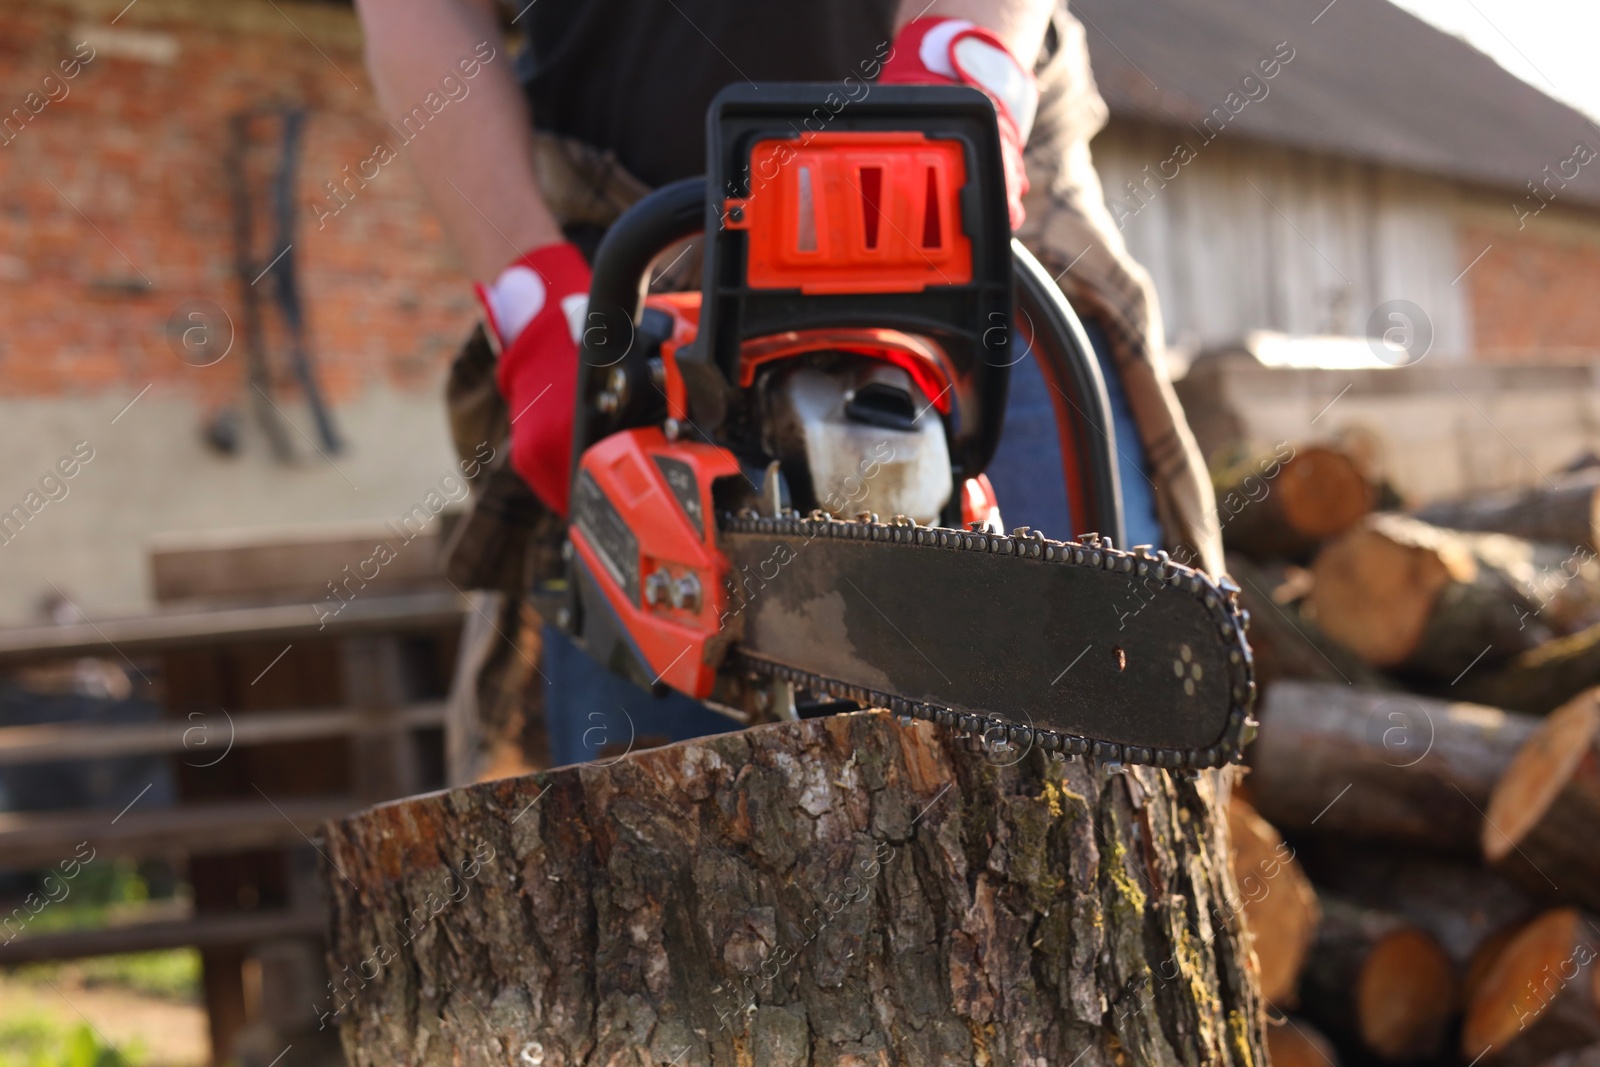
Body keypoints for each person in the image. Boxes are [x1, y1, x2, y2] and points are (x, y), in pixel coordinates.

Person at [353, 0, 1222, 772]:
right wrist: (530, 295)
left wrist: (965, 67)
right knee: (639, 829)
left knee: (1105, 727)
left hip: (964, 201)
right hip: (625, 226)